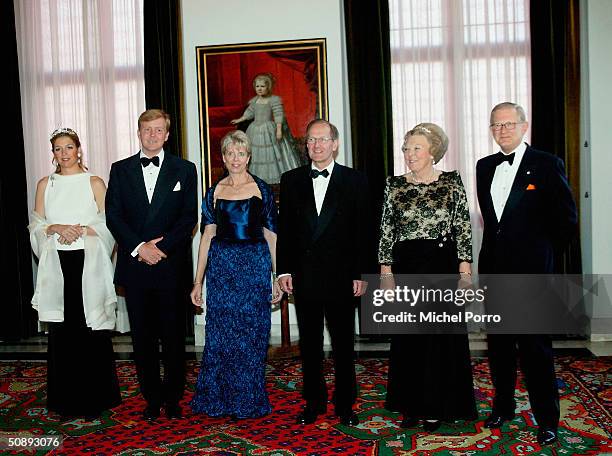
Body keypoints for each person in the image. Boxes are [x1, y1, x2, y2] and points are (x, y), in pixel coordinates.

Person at [476, 102, 577, 445]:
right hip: (494, 272)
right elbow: (493, 224)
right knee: (500, 347)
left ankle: (547, 418)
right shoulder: (484, 166)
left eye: (508, 124)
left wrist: (543, 258)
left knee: (536, 350)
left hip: (533, 275)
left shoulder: (547, 164)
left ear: (524, 126)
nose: (502, 130)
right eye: (496, 125)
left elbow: (566, 220)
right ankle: (503, 406)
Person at [378, 123, 477, 431]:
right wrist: (386, 272)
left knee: (439, 339)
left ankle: (437, 405)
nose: (409, 154)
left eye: (416, 148)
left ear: (433, 151)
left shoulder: (451, 182)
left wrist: (465, 270)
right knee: (410, 339)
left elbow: (462, 225)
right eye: (407, 148)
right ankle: (411, 405)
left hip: (442, 266)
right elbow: (386, 230)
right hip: (407, 266)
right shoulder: (394, 185)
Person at [277, 119, 372, 426]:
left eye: (321, 140)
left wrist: (362, 274)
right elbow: (286, 231)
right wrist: (284, 271)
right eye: (310, 141)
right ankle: (313, 402)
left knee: (344, 344)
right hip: (304, 275)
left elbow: (364, 232)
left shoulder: (355, 180)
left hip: (343, 276)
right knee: (310, 344)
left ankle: (345, 404)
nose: (315, 146)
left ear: (335, 144)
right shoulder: (291, 180)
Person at [106, 109, 198, 421]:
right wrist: (138, 248)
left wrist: (161, 248)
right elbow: (113, 216)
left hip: (170, 265)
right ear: (139, 132)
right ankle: (151, 399)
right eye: (147, 130)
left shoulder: (185, 169)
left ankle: (173, 398)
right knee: (142, 338)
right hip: (136, 266)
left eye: (159, 130)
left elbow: (189, 218)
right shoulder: (120, 170)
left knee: (173, 337)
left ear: (167, 134)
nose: (153, 135)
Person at [29, 127, 122, 419]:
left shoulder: (94, 182)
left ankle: (96, 398)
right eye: (58, 149)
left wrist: (80, 230)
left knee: (90, 328)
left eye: (69, 147)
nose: (64, 153)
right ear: (53, 153)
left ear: (78, 149)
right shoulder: (46, 184)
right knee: (63, 330)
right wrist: (56, 229)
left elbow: (110, 222)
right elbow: (36, 225)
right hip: (58, 263)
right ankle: (64, 400)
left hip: (88, 262)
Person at [190, 130, 282, 418]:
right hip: (222, 269)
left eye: (240, 153)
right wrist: (198, 281)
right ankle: (218, 398)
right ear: (224, 156)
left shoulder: (262, 190)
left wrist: (277, 276)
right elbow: (206, 237)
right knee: (221, 334)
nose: (235, 159)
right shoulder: (214, 191)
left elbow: (271, 236)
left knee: (252, 333)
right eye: (230, 153)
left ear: (248, 156)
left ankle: (248, 399)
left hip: (254, 267)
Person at [230, 72, 303, 184]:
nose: (259, 89)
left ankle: (272, 179)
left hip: (268, 130)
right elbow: (249, 112)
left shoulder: (274, 100)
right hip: (254, 129)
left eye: (262, 86)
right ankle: (257, 177)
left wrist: (278, 129)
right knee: (255, 153)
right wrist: (240, 119)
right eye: (257, 86)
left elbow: (278, 114)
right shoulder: (254, 101)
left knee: (271, 153)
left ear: (268, 87)